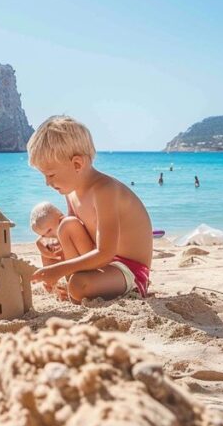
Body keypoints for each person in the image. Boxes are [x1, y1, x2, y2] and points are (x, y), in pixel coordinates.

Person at [27, 116, 153, 303]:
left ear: (77, 164)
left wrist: (59, 270)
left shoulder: (104, 191)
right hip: (102, 265)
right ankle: (72, 288)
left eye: (51, 174)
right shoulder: (71, 193)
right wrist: (47, 244)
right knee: (67, 226)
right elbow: (73, 237)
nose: (47, 183)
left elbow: (105, 253)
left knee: (79, 285)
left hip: (128, 270)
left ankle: (76, 288)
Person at [30, 201, 65, 267]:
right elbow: (39, 241)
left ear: (61, 219)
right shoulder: (50, 237)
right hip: (62, 263)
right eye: (43, 235)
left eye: (48, 231)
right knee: (46, 248)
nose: (48, 236)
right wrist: (49, 254)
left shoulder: (70, 228)